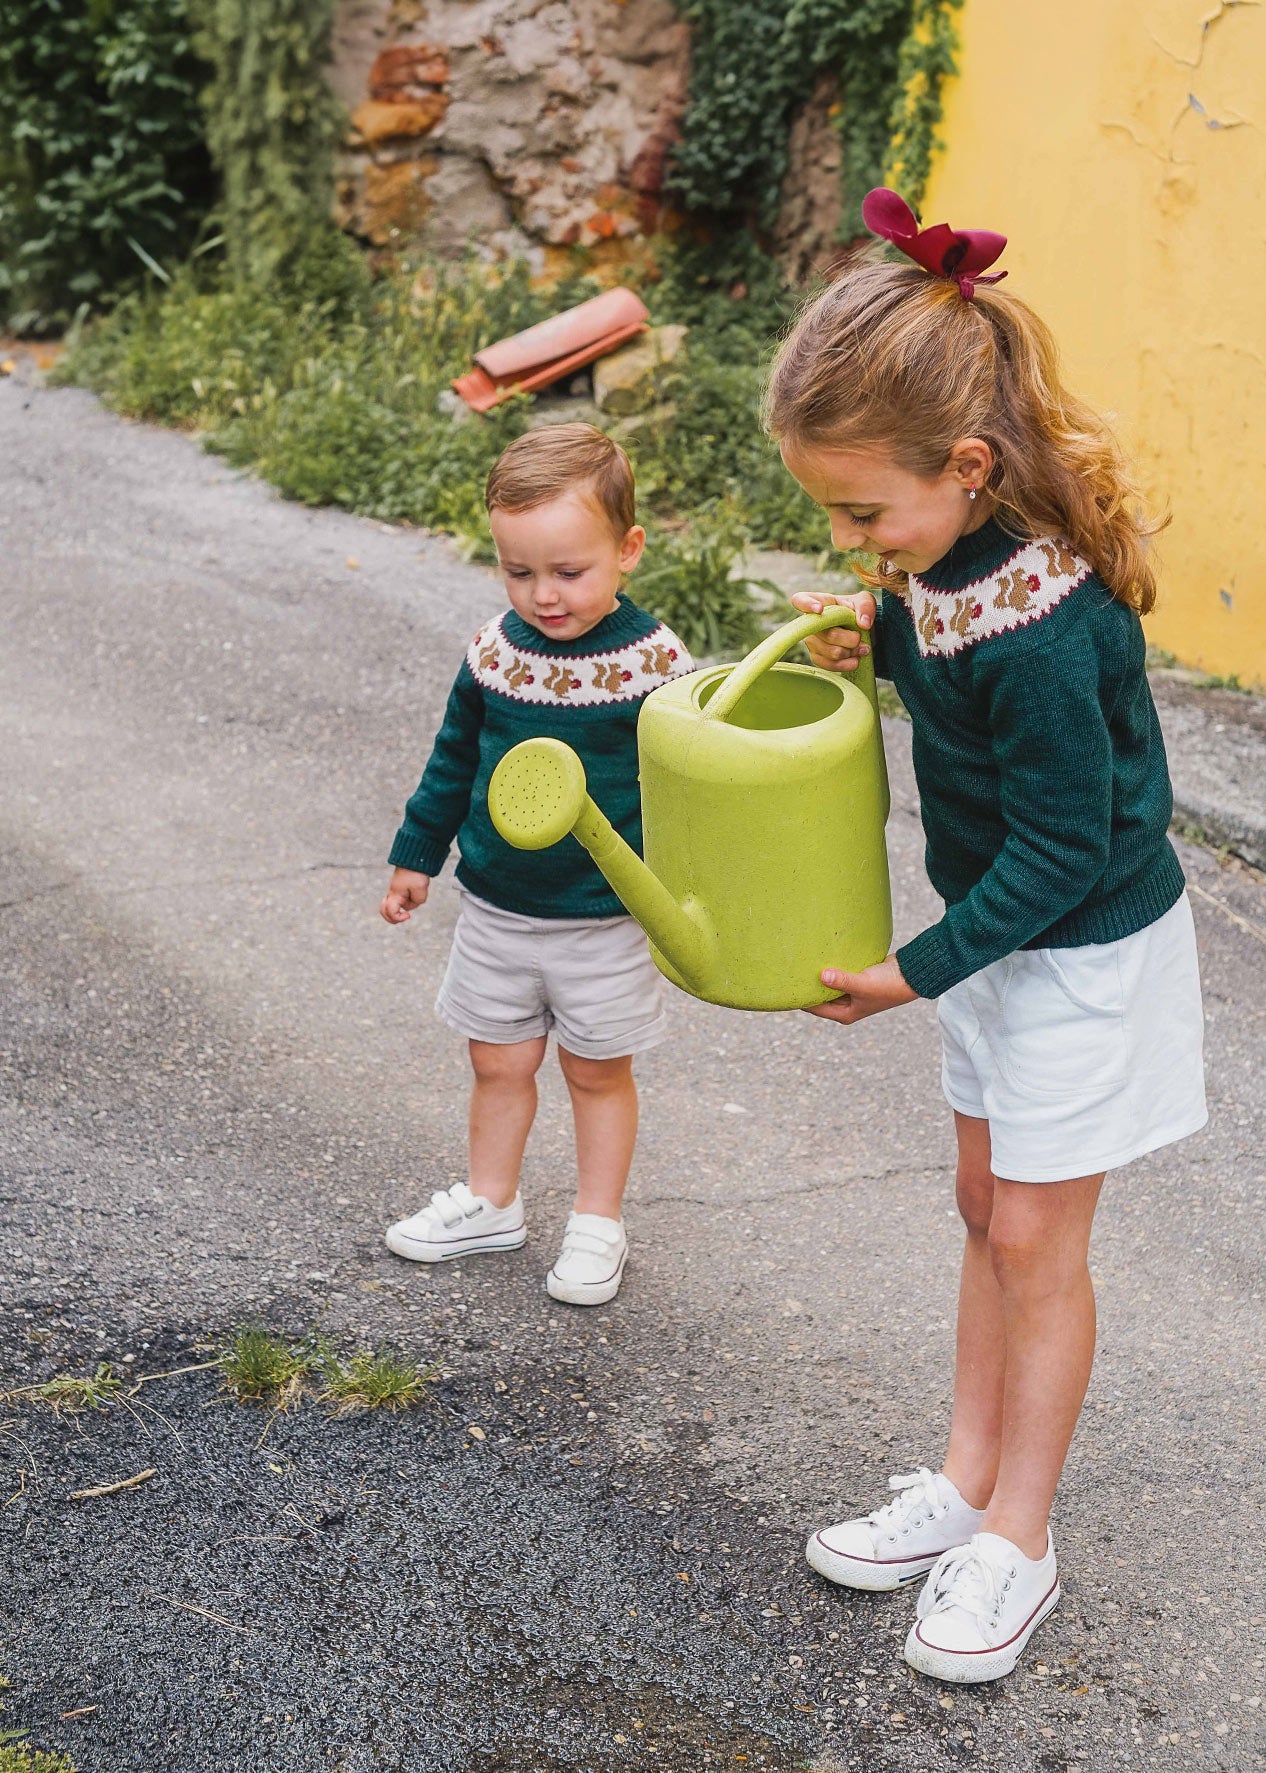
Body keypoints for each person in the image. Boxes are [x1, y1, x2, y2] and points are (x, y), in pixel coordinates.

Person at [765, 189, 1207, 1683]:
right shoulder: (948, 568)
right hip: (995, 935)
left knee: (1035, 1237)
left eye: (860, 514)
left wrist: (911, 970)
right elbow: (941, 654)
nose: (848, 538)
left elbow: (1065, 843)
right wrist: (875, 636)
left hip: (1074, 946)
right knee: (978, 1203)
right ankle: (959, 1479)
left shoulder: (1047, 622)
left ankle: (1017, 1533)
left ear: (963, 465)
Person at [379, 423, 692, 1305]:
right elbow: (454, 759)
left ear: (628, 550)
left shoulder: (653, 663)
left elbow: (686, 783)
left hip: (605, 918)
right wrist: (417, 855)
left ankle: (598, 1219)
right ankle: (491, 1199)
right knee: (498, 1061)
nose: (543, 595)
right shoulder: (496, 650)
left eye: (568, 571)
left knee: (596, 1070)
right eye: (519, 572)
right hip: (499, 911)